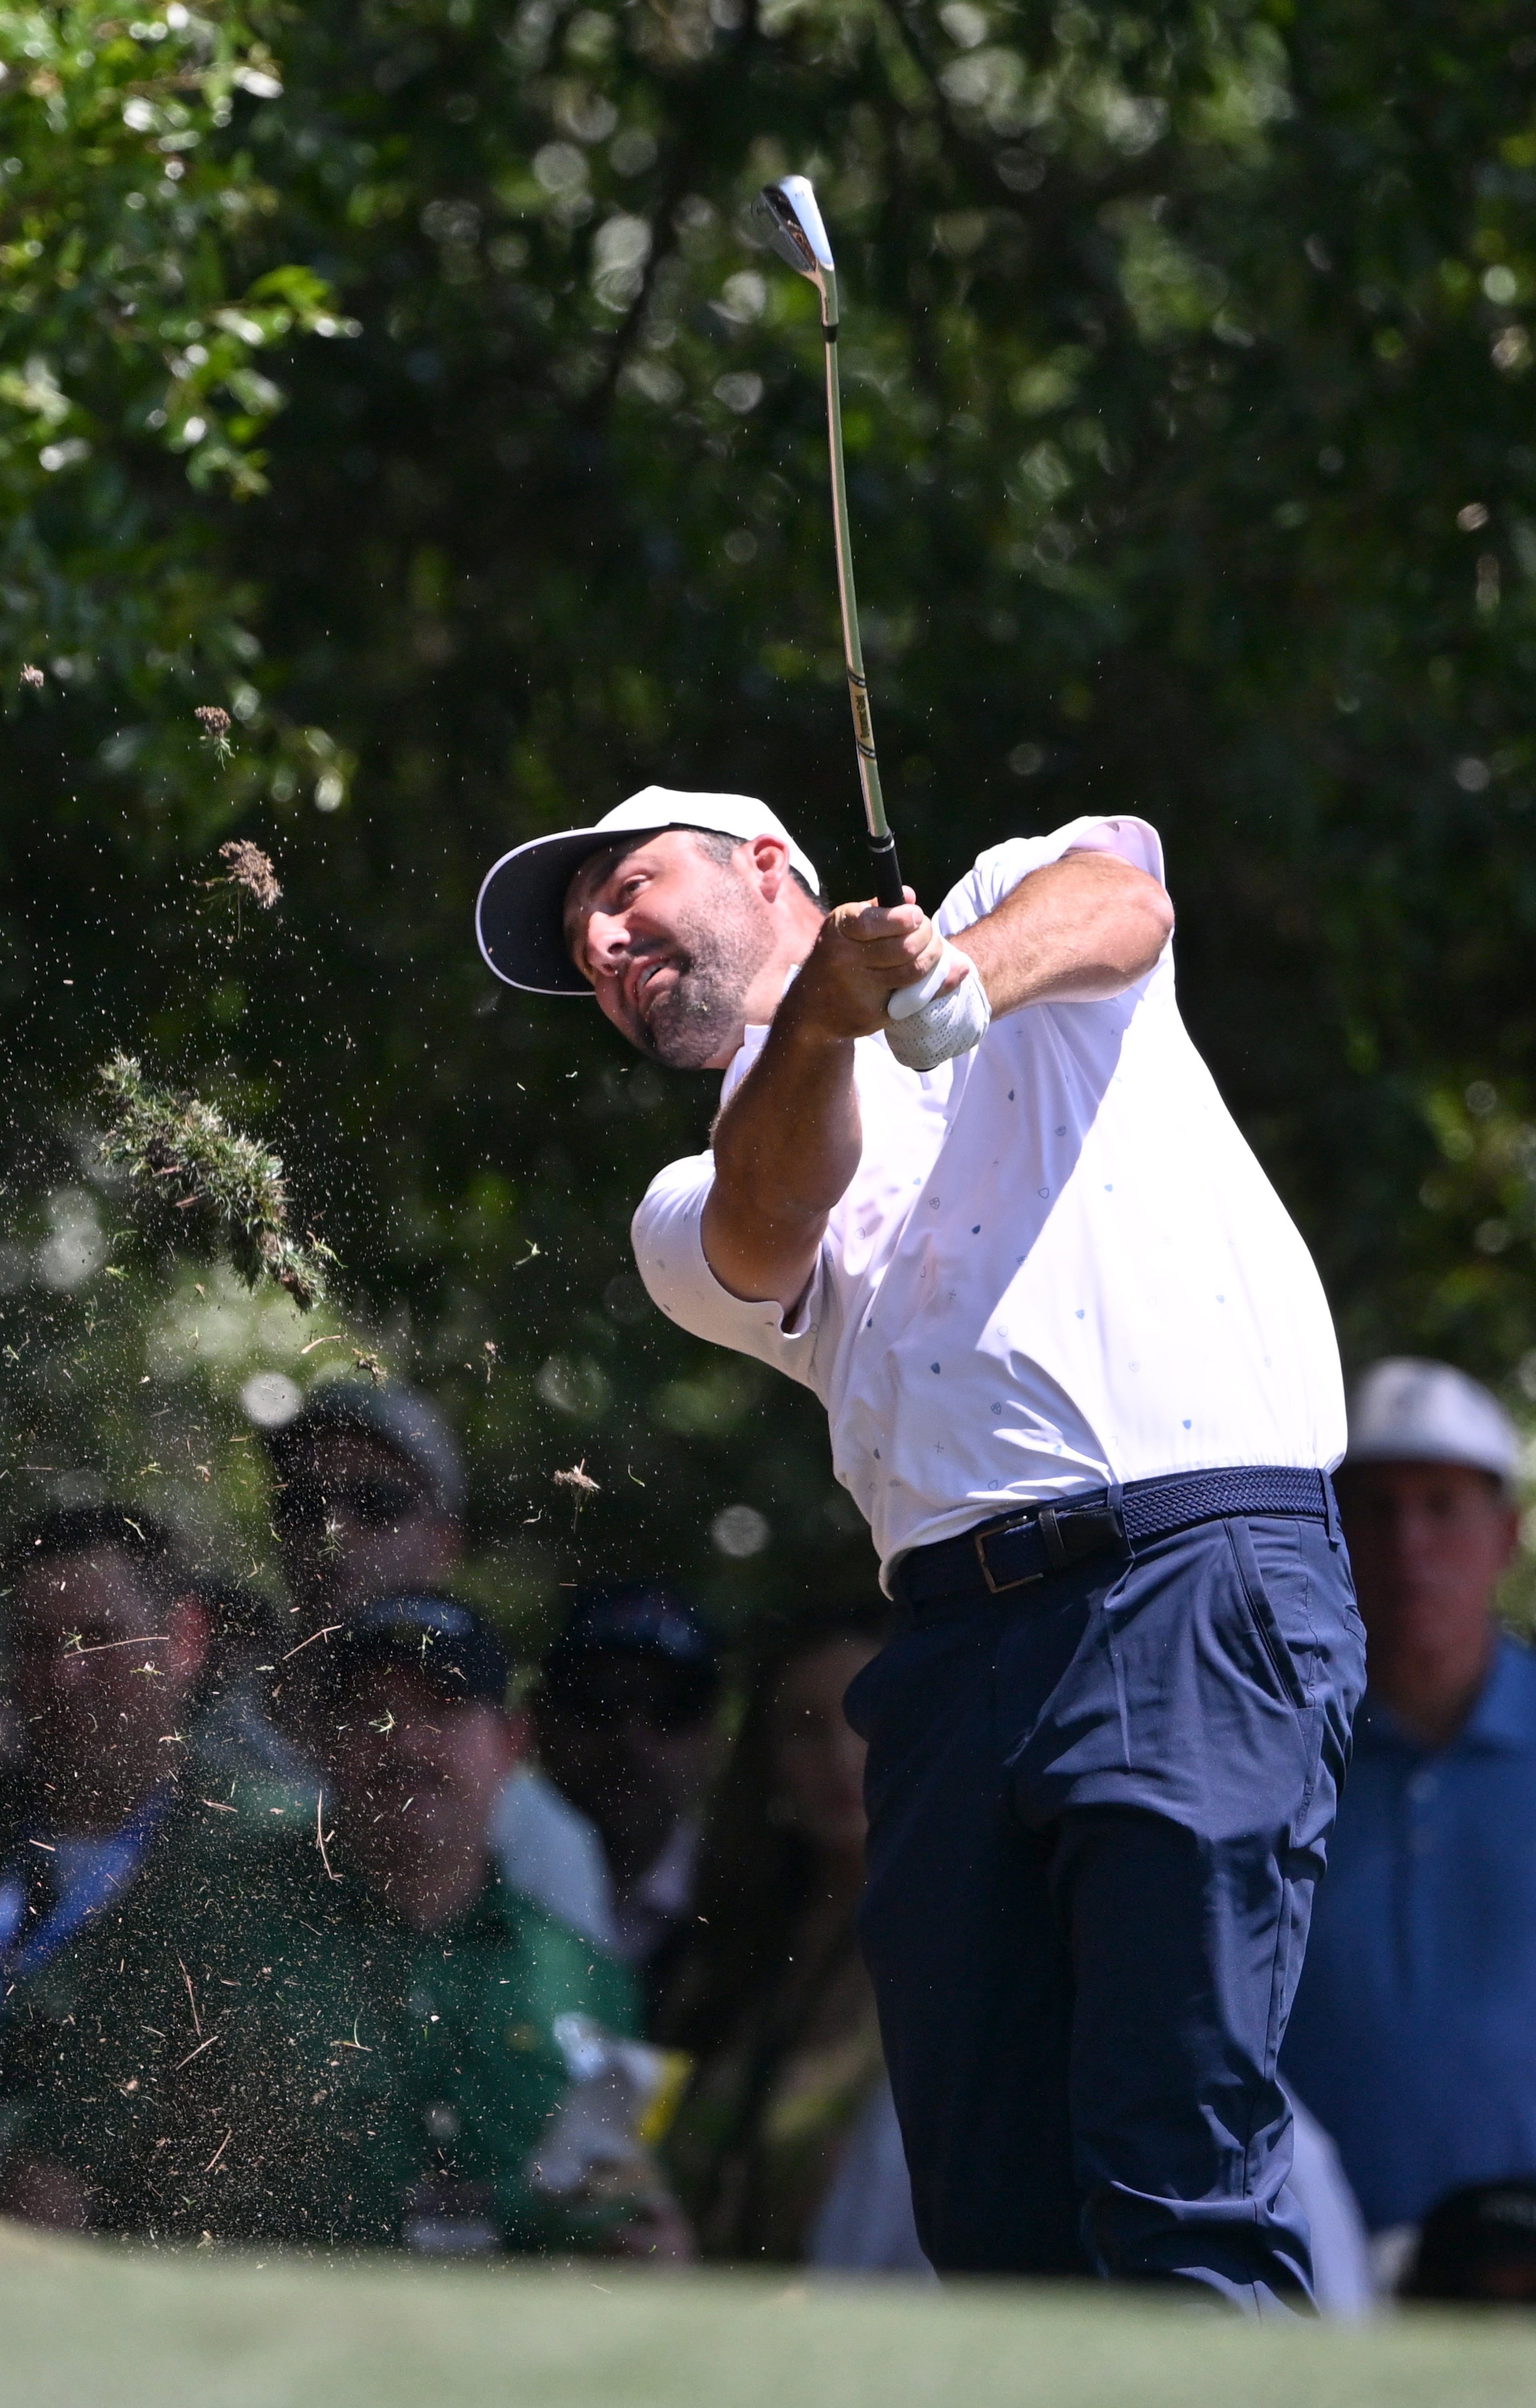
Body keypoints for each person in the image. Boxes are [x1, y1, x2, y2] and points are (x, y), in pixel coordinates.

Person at [475, 784, 1364, 2311]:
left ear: (768, 866)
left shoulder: (1012, 898)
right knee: (996, 2222)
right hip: (953, 1659)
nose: (606, 943)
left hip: (1188, 1570)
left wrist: (953, 976)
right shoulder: (685, 1202)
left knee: (1175, 2174)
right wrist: (829, 1026)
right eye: (581, 946)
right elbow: (770, 1226)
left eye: (625, 891)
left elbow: (1120, 904)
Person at [0, 1596, 670, 2254]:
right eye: (371, 1715)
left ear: (511, 1743)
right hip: (237, 2350)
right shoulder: (200, 1916)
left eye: (443, 1710)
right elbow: (52, 2176)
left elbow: (628, 2230)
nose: (405, 1743)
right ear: (322, 1741)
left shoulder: (594, 1981)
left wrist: (653, 2251)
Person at [1283, 1358, 1536, 2239]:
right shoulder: (1266, 1753)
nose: (1408, 1547)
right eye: (1376, 1509)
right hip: (1306, 2274)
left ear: (1505, 1534)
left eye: (1443, 1507)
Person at [264, 1377, 611, 1945]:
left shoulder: (532, 1834)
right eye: (303, 1502)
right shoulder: (198, 1742)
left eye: (376, 1504)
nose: (332, 1531)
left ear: (445, 1542)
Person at [656, 1607, 926, 2272]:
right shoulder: (715, 1944)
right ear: (765, 1758)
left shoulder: (953, 1959)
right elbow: (617, 2136)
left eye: (866, 1720)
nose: (839, 1757)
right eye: (805, 1729)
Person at [0, 1506, 216, 1986]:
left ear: (185, 1640)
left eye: (98, 1639)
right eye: (36, 1643)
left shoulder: (251, 1855)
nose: (65, 1674)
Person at [522, 1584, 722, 1988]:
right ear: (538, 1721)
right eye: (598, 1702)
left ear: (711, 1738)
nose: (633, 1737)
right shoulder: (472, 1883)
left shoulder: (754, 1904)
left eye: (672, 1708)